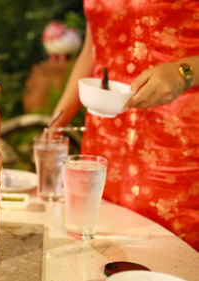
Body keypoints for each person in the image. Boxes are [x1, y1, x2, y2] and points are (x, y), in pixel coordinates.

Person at [50, 0, 199, 251]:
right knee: (102, 245)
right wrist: (55, 123)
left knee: (169, 250)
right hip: (106, 133)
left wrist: (185, 71)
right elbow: (93, 49)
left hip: (176, 139)